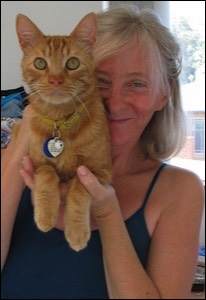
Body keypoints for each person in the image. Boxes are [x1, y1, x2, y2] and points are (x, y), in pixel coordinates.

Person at [1, 4, 204, 299]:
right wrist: (27, 132)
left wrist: (107, 211)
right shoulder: (14, 165)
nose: (115, 103)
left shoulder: (178, 190)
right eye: (100, 81)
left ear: (164, 94)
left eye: (136, 84)